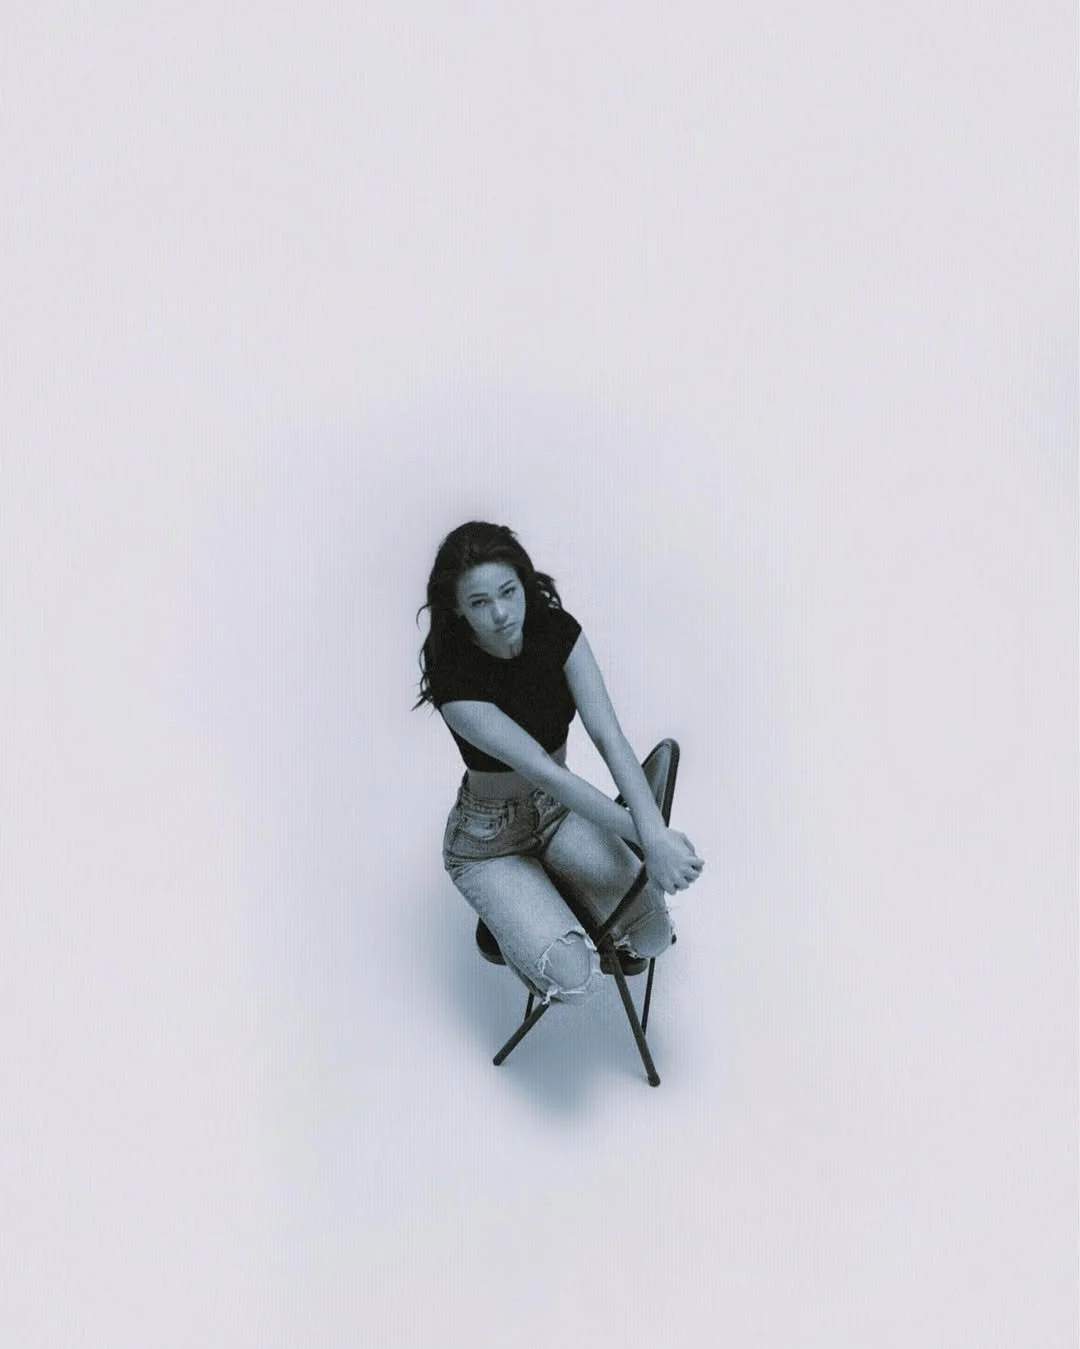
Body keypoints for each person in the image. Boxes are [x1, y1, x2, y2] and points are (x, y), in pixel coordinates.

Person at [414, 521, 704, 1004]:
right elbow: (545, 771)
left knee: (653, 938)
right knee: (574, 979)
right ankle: (513, 914)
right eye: (480, 603)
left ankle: (548, 898)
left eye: (508, 591)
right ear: (459, 611)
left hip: (557, 812)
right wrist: (646, 836)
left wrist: (653, 833)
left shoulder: (557, 632)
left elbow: (608, 736)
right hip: (489, 842)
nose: (501, 613)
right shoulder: (455, 681)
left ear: (524, 584)